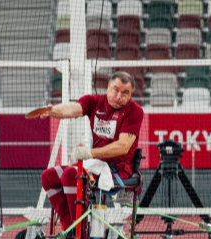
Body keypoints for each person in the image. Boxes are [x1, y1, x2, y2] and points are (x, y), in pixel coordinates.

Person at [39, 71, 144, 230]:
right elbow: (72, 109)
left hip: (118, 169)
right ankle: (70, 227)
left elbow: (123, 147)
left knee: (70, 174)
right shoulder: (93, 101)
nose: (118, 96)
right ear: (108, 86)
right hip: (95, 164)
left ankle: (81, 228)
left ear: (131, 94)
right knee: (48, 176)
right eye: (115, 89)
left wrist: (90, 153)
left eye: (125, 93)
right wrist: (53, 111)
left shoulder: (134, 111)